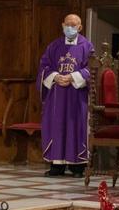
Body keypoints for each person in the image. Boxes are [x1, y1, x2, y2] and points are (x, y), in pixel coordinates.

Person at [37, 13, 93, 178]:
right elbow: (44, 67)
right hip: (57, 96)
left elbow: (92, 69)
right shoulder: (53, 46)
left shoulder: (87, 46)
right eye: (67, 24)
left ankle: (77, 167)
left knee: (75, 126)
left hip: (77, 96)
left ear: (80, 27)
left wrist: (73, 77)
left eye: (73, 25)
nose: (70, 28)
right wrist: (55, 76)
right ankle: (56, 166)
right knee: (57, 127)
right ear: (62, 25)